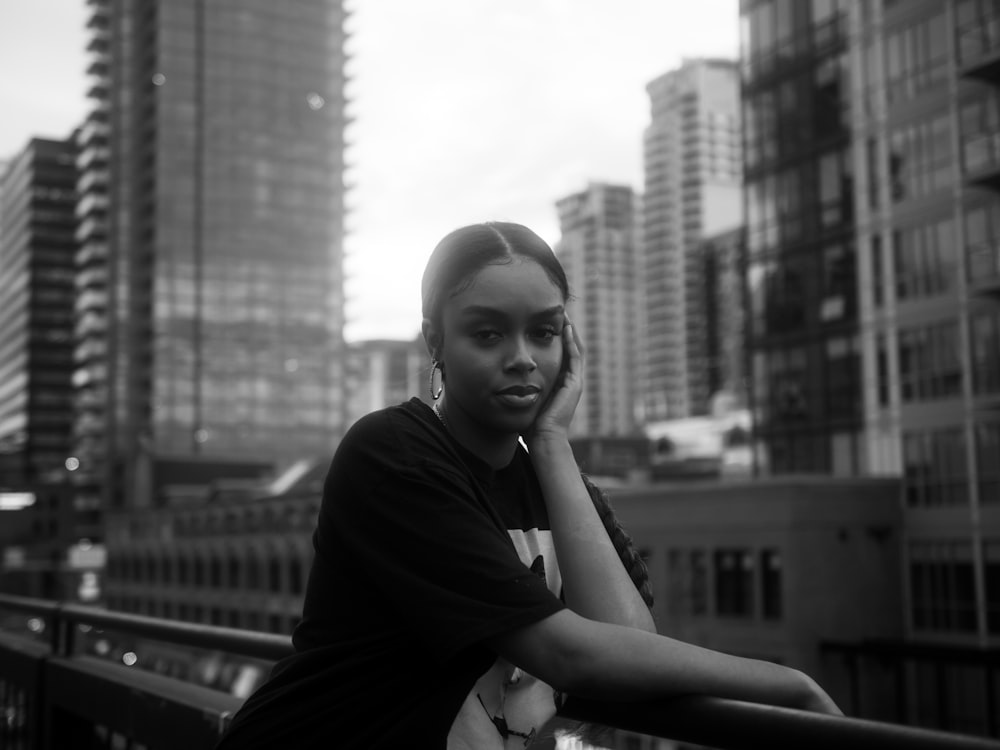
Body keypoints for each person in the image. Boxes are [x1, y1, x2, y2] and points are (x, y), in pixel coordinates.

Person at [215, 221, 840, 749]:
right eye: (488, 334)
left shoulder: (559, 483)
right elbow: (566, 654)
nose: (522, 357)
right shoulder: (392, 454)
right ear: (436, 341)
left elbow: (628, 647)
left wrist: (550, 444)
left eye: (543, 332)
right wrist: (790, 684)